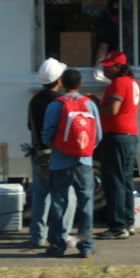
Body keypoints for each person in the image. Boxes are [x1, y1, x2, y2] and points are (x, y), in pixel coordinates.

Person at [42, 68, 102, 258]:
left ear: (62, 82)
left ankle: (57, 246)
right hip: (84, 162)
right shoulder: (89, 104)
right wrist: (85, 150)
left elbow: (46, 135)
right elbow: (97, 135)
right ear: (80, 84)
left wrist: (59, 145)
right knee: (86, 204)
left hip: (60, 162)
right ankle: (86, 246)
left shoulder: (55, 105)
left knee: (59, 203)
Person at [27, 57, 77, 248]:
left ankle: (38, 236)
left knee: (41, 195)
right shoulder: (61, 102)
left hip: (38, 154)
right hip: (58, 154)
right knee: (68, 197)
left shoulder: (33, 100)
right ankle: (63, 235)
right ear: (59, 80)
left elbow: (29, 126)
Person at [96, 51, 140, 240]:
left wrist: (95, 104)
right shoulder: (132, 83)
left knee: (114, 182)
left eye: (109, 65)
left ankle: (117, 227)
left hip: (117, 137)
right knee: (125, 181)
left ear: (118, 67)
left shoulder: (119, 83)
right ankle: (128, 223)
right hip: (129, 136)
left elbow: (112, 111)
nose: (105, 68)